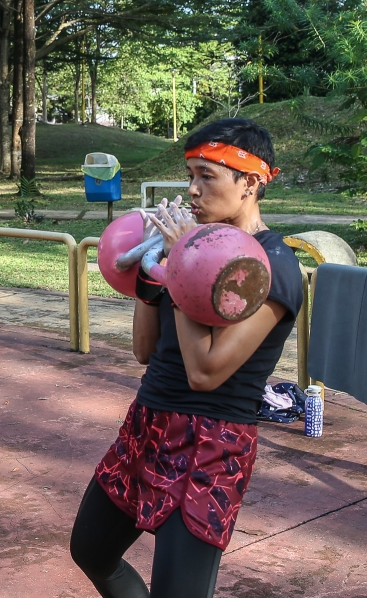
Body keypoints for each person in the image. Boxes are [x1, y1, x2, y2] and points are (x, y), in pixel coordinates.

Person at [69, 118, 304, 597]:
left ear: (251, 183)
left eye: (207, 177)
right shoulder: (194, 245)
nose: (193, 191)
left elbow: (205, 371)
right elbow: (144, 351)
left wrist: (183, 264)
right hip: (147, 423)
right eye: (190, 176)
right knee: (90, 550)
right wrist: (150, 265)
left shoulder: (271, 266)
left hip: (211, 443)